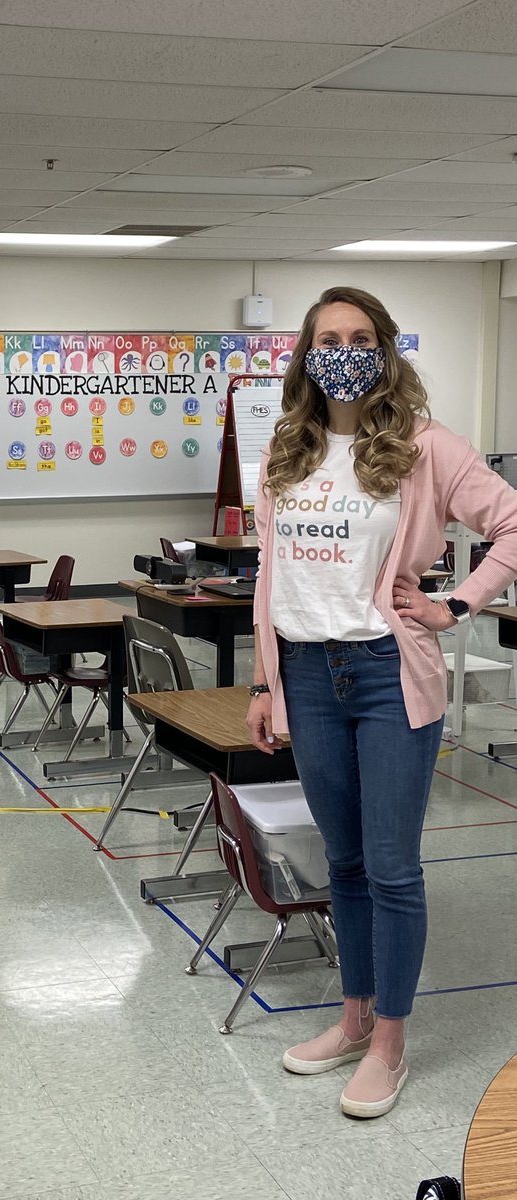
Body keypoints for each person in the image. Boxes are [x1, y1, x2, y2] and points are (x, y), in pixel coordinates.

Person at [246, 286, 517, 1119]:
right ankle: (353, 1019)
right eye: (327, 337)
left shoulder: (425, 447)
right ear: (305, 353)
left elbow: (511, 526)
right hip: (306, 673)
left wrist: (456, 605)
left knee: (393, 868)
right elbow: (273, 574)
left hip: (384, 674)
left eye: (360, 336)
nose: (343, 349)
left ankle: (392, 1044)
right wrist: (265, 682)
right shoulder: (287, 450)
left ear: (387, 349)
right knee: (346, 864)